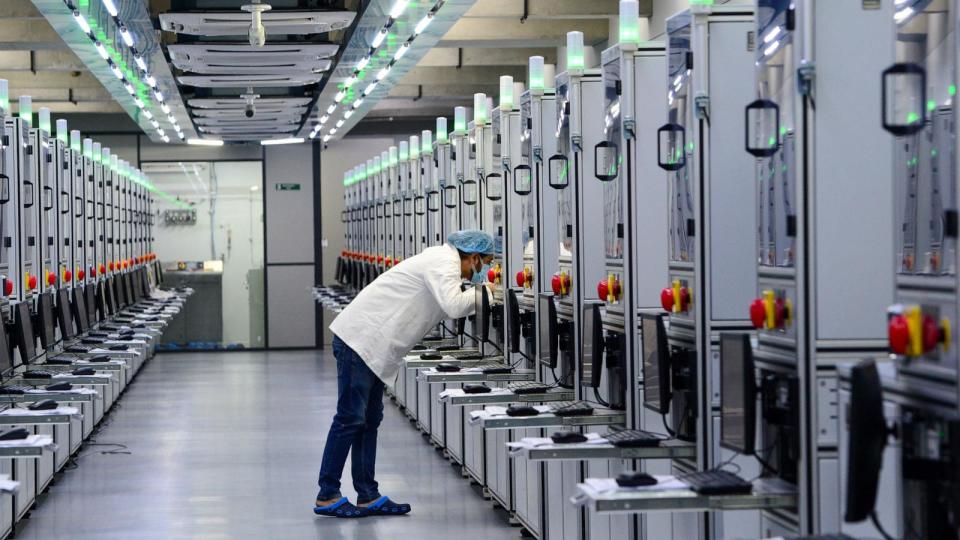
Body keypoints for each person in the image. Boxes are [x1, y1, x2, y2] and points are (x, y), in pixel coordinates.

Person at [314, 230, 496, 518]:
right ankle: (327, 494)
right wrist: (486, 292)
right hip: (359, 340)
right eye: (485, 263)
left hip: (373, 346)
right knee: (350, 417)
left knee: (368, 420)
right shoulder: (443, 261)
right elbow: (453, 305)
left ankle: (367, 494)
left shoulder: (443, 263)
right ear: (473, 257)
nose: (484, 271)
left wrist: (479, 292)